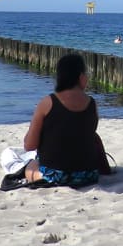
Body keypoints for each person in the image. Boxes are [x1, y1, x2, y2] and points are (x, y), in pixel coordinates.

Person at [22, 54, 103, 187]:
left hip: (57, 177)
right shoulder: (92, 104)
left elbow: (29, 146)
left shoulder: (47, 102)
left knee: (30, 166)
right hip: (89, 175)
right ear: (81, 77)